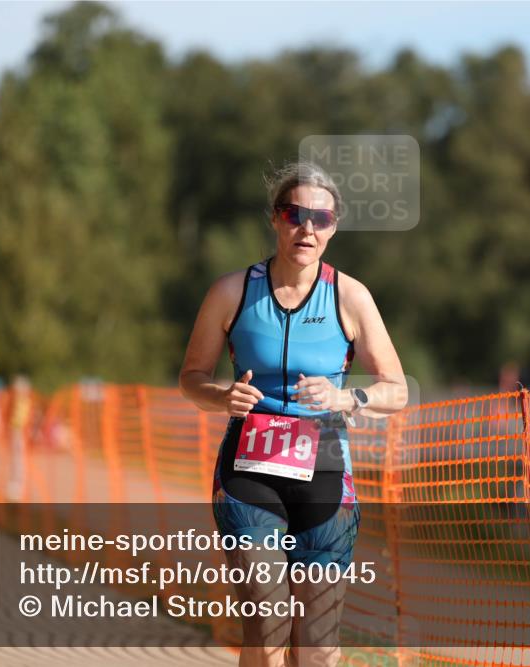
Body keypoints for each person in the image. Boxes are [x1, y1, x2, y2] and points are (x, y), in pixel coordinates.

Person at [179, 161, 407, 667]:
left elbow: (397, 389)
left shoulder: (351, 296)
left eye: (320, 219)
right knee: (266, 619)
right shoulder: (231, 291)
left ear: (333, 227)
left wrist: (348, 399)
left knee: (318, 640)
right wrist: (221, 398)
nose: (307, 228)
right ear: (276, 219)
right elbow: (191, 376)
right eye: (294, 214)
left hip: (325, 472)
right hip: (248, 472)